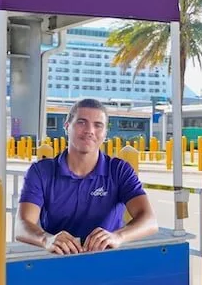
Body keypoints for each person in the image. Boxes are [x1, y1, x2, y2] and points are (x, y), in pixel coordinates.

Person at [16, 98, 157, 255]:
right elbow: (22, 226)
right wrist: (46, 239)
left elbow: (149, 221)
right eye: (81, 122)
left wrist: (118, 236)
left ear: (105, 133)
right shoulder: (41, 171)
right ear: (67, 126)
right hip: (58, 260)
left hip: (107, 260)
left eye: (98, 125)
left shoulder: (119, 170)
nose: (90, 130)